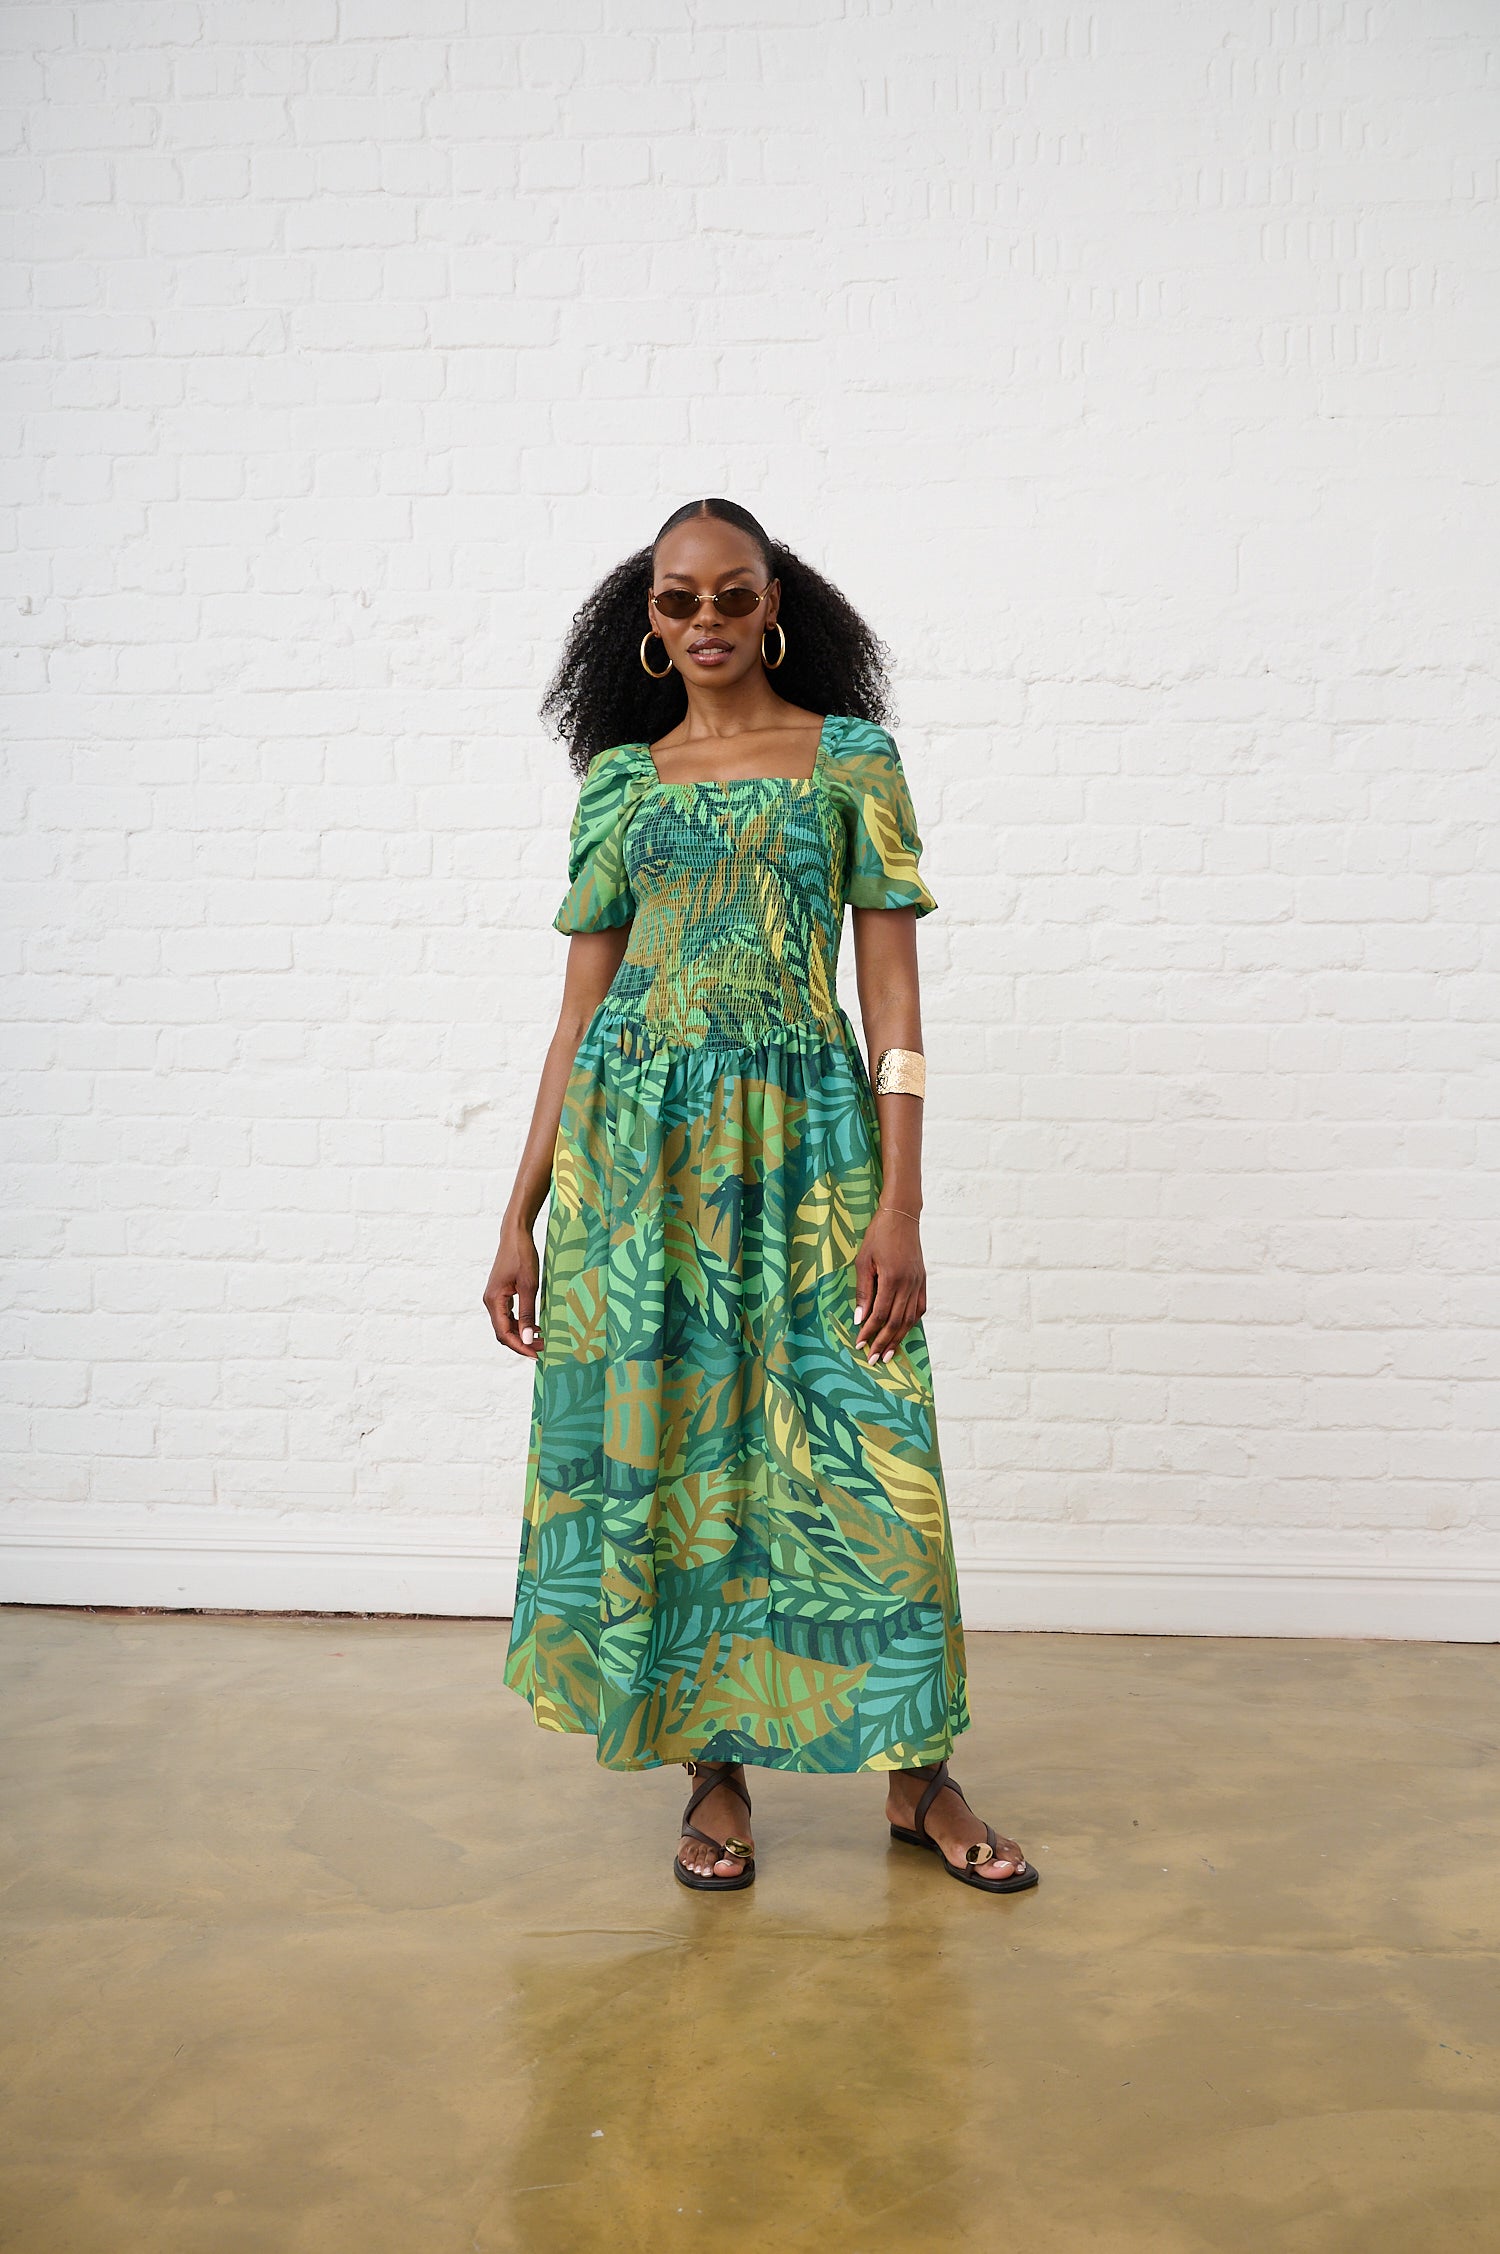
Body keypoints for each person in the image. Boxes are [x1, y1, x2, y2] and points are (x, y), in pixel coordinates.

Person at [484, 498, 1036, 1897]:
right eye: (679, 601)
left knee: (869, 1447)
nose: (709, 621)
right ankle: (712, 1774)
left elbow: (895, 1001)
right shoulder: (621, 785)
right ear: (648, 622)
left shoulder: (852, 762)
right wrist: (519, 1210)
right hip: (637, 1166)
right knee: (676, 1457)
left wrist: (899, 1201)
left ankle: (920, 1775)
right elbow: (575, 1016)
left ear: (775, 600)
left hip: (810, 1144)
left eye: (733, 594)